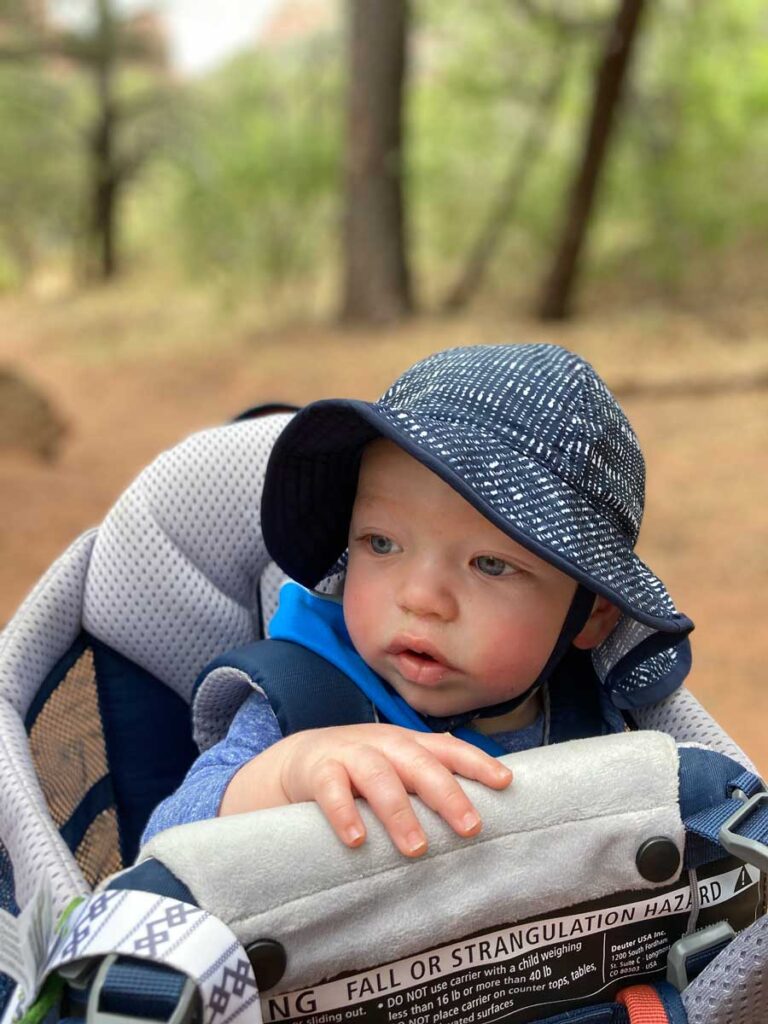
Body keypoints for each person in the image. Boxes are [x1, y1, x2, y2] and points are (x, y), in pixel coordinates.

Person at [142, 344, 693, 858]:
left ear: (593, 613)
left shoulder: (591, 716)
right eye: (382, 543)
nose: (421, 598)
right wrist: (288, 773)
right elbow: (164, 846)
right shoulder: (303, 704)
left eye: (491, 564)